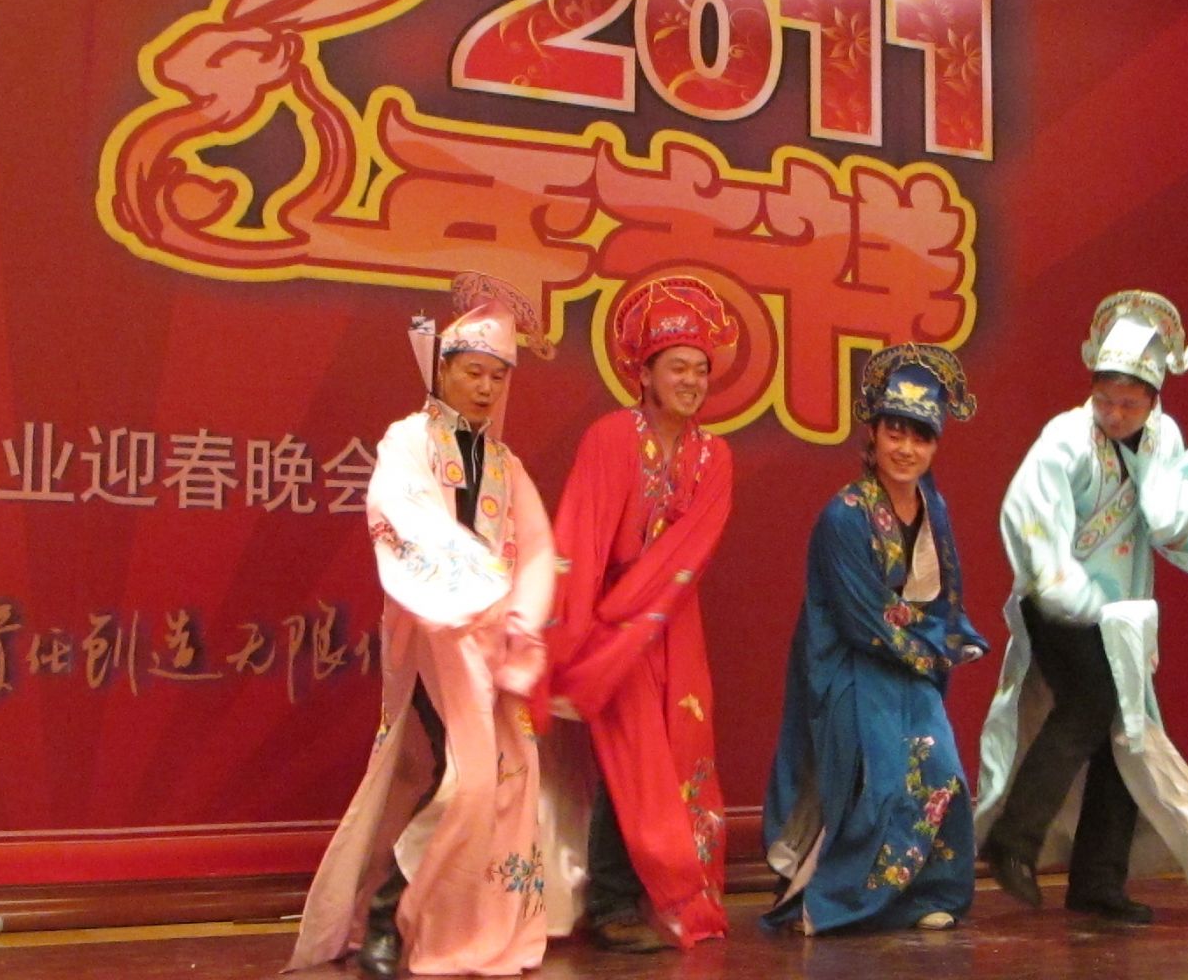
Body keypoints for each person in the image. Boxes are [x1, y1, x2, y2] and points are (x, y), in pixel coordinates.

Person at [289, 273, 556, 977]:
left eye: (498, 376)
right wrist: (478, 590)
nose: (486, 388)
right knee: (445, 776)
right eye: (473, 372)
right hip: (433, 635)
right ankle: (387, 918)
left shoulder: (505, 464)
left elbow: (538, 548)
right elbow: (403, 516)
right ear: (443, 371)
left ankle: (442, 923)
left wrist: (522, 621)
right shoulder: (407, 441)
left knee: (492, 784)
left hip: (491, 645)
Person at [975, 290, 1188, 925]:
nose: (1115, 413)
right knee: (1094, 703)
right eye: (1106, 399)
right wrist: (1071, 593)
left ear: (1154, 399)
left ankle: (1098, 880)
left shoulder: (1163, 437)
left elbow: (1171, 526)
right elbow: (1027, 516)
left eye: (1129, 403)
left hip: (1121, 613)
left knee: (1128, 730)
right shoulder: (1065, 438)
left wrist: (1186, 483)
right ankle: (1014, 838)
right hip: (1060, 600)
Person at [537, 275, 739, 952]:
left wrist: (641, 617)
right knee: (631, 761)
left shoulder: (715, 457)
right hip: (609, 624)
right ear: (644, 373)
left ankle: (667, 895)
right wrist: (585, 631)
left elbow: (693, 549)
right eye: (677, 367)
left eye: (700, 369)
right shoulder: (610, 438)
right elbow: (581, 537)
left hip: (673, 625)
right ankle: (612, 903)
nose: (691, 381)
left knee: (681, 754)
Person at [762, 343, 990, 935]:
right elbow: (866, 618)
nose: (906, 448)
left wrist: (951, 635)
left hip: (910, 666)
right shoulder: (844, 515)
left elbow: (945, 594)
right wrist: (937, 644)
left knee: (944, 772)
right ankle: (832, 900)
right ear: (874, 432)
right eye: (895, 431)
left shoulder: (933, 507)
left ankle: (929, 893)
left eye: (921, 436)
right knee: (885, 779)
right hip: (852, 667)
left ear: (935, 444)